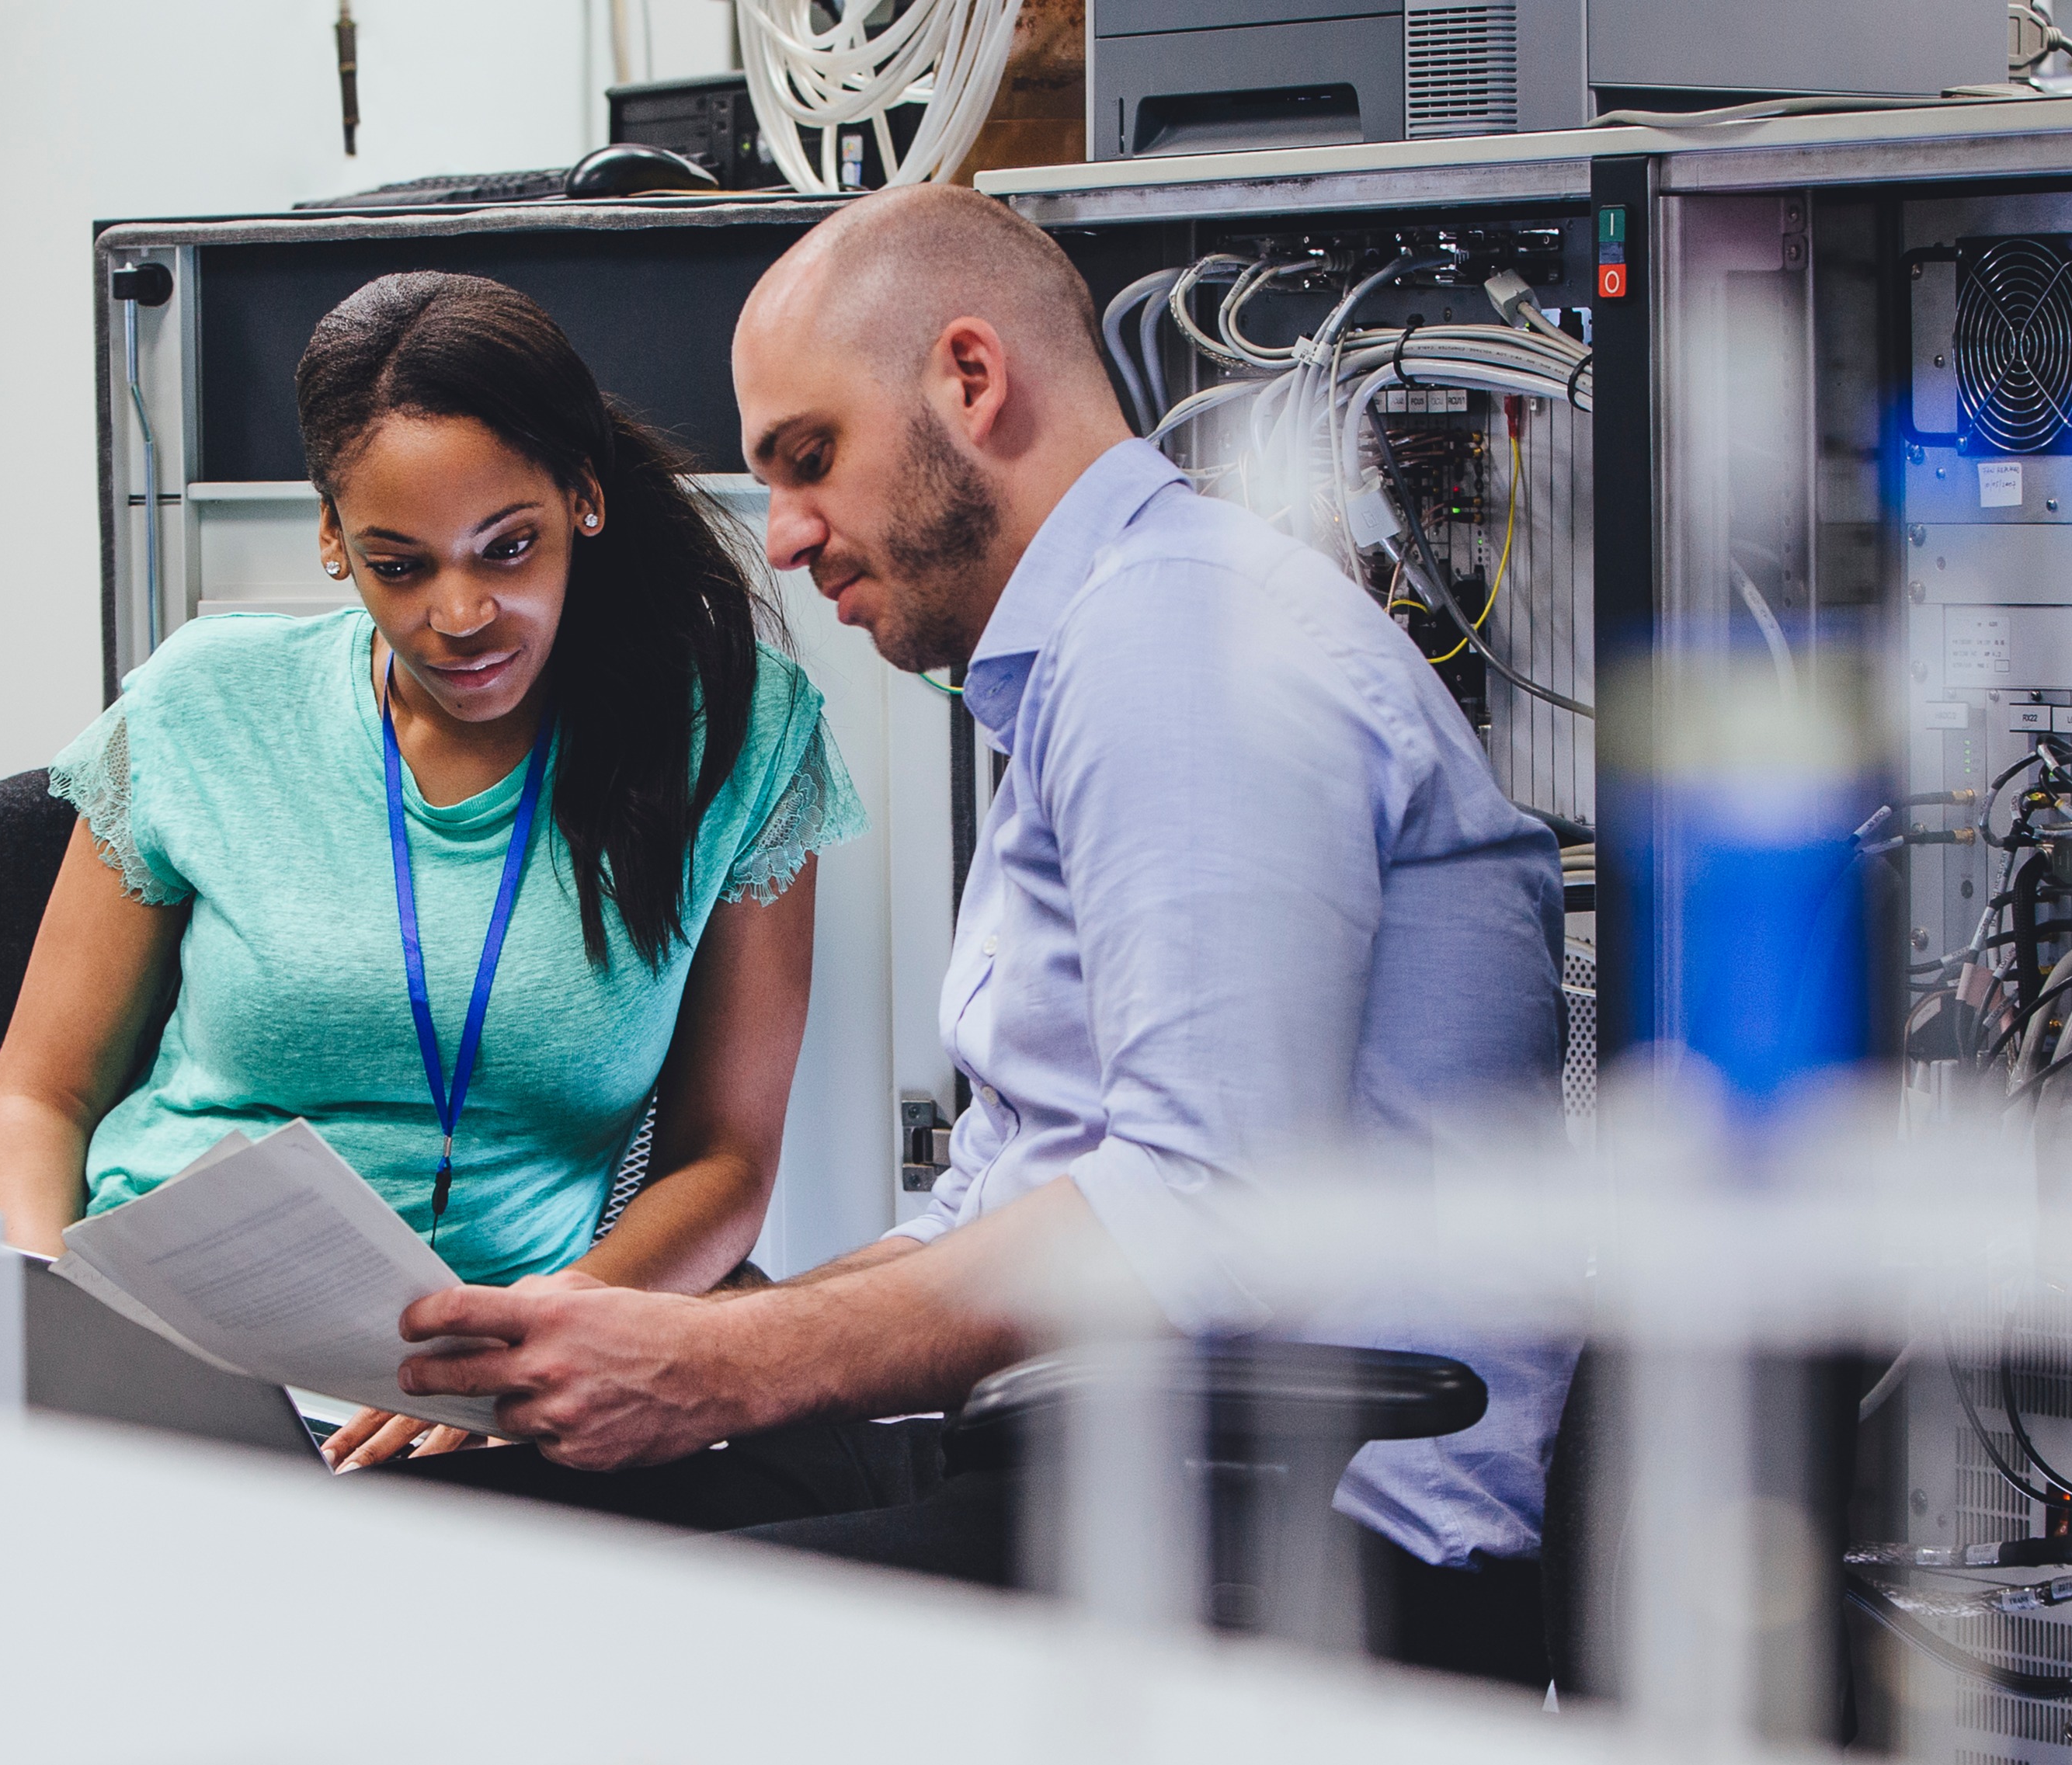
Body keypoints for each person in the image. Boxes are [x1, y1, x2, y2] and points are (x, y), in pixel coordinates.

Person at [377, 185, 1572, 1680]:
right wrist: (608, 1346)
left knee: (519, 1641)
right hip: (1099, 1469)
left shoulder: (1181, 644)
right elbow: (1003, 1206)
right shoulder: (1104, 652)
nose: (793, 538)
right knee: (431, 1543)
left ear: (970, 377)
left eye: (809, 461)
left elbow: (1204, 1209)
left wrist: (722, 1362)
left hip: (1303, 1551)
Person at [0, 272, 865, 1471]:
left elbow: (725, 1161)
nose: (462, 614)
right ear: (333, 541)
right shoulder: (206, 705)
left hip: (501, 1395)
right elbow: (38, 1097)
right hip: (174, 1364)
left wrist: (545, 1339)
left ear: (582, 498)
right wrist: (53, 1323)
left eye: (508, 548)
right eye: (401, 565)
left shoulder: (738, 740)